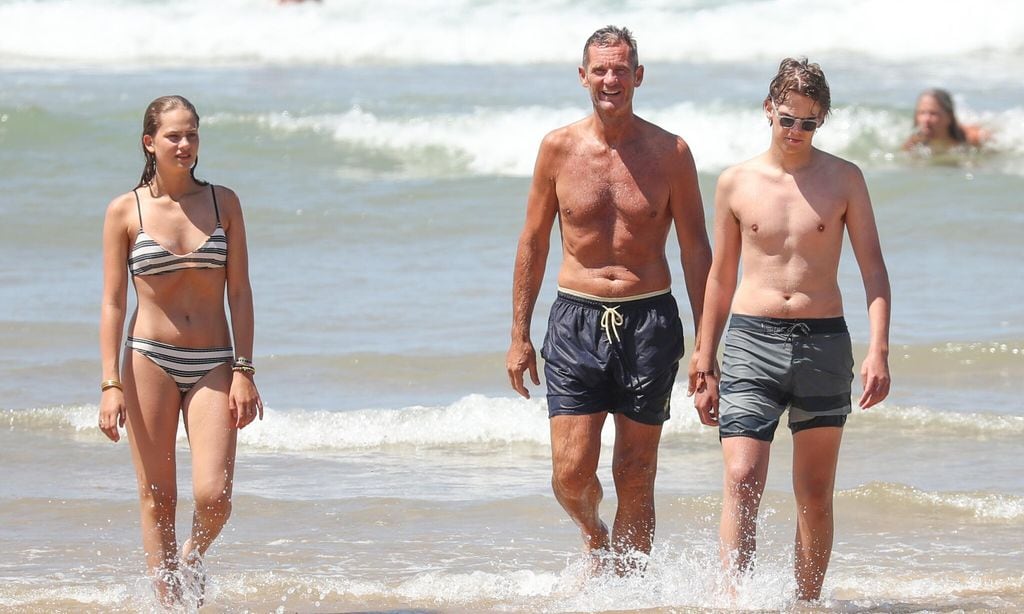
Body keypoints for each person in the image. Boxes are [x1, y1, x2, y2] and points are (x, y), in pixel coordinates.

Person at [506, 25, 712, 573]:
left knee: (636, 471)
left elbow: (696, 249)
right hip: (575, 318)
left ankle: (628, 592)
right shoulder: (557, 149)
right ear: (582, 76)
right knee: (570, 471)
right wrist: (519, 335)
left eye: (621, 69)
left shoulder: (671, 153)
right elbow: (533, 240)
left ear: (638, 76)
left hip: (650, 318)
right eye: (600, 69)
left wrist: (707, 345)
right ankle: (595, 533)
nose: (610, 79)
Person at [688, 58, 891, 601]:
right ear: (767, 111)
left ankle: (805, 605)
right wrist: (704, 356)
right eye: (788, 119)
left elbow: (873, 268)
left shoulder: (844, 178)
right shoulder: (736, 182)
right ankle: (736, 600)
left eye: (809, 122)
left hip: (824, 342)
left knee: (815, 494)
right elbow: (719, 278)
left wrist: (879, 351)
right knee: (742, 479)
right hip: (752, 340)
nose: (797, 132)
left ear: (821, 121)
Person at [98, 95, 263, 606]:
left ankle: (190, 560)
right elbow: (111, 303)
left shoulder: (223, 202)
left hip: (214, 361)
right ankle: (170, 603)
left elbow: (239, 292)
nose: (185, 144)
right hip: (148, 358)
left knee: (214, 498)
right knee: (158, 497)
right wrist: (110, 383)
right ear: (150, 142)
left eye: (192, 134)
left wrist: (244, 369)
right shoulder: (126, 210)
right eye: (174, 135)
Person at [903, 88, 988, 151]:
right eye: (922, 113)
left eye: (933, 113)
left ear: (949, 116)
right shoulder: (913, 143)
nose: (926, 120)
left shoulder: (972, 139)